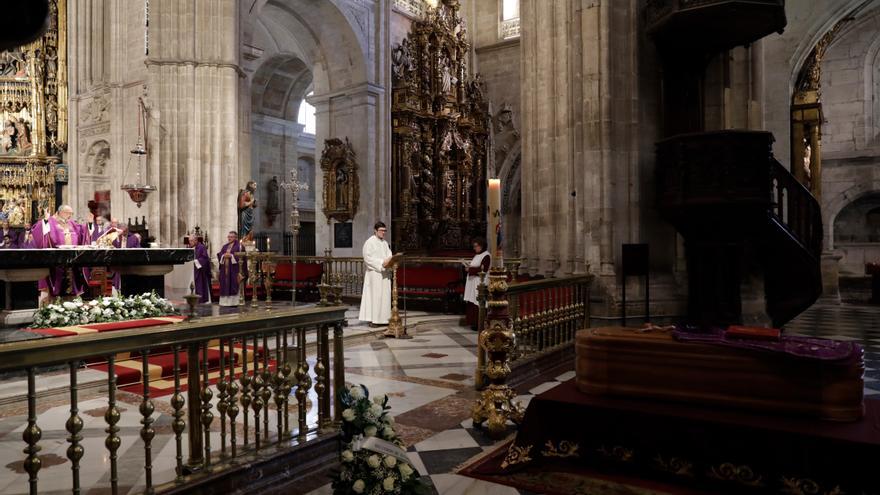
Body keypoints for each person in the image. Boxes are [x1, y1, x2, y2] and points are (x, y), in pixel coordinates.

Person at [30, 205, 88, 302]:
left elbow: (83, 232)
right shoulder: (51, 220)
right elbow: (39, 231)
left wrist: (89, 224)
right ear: (60, 212)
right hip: (56, 259)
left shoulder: (71, 223)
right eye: (68, 213)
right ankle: (54, 304)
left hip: (71, 258)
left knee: (71, 281)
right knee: (56, 281)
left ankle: (70, 304)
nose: (70, 215)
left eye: (71, 213)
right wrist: (45, 221)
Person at [359, 221, 395, 327]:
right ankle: (374, 320)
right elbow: (367, 258)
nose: (383, 233)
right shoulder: (369, 242)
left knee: (385, 297)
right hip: (374, 274)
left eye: (385, 231)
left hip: (384, 274)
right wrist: (381, 263)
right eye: (381, 230)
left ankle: (384, 319)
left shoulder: (384, 243)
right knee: (375, 297)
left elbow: (389, 255)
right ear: (375, 230)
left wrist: (389, 262)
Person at [463, 237, 491, 331]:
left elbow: (483, 269)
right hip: (473, 282)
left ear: (481, 246)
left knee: (478, 302)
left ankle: (480, 324)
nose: (474, 248)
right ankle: (473, 323)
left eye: (476, 246)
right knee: (472, 302)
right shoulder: (477, 255)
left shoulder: (486, 256)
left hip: (480, 283)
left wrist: (469, 269)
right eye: (474, 246)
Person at [217, 231, 242, 306]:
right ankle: (224, 302)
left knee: (233, 283)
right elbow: (220, 254)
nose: (229, 238)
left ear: (235, 237)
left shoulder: (239, 246)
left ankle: (233, 302)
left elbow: (241, 257)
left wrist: (232, 256)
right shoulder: (225, 246)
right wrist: (223, 256)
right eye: (228, 237)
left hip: (234, 269)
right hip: (225, 269)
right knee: (225, 283)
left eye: (231, 237)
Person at [190, 234, 212, 303]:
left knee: (200, 285)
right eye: (189, 241)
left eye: (191, 241)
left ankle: (201, 299)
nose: (190, 242)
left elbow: (205, 258)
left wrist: (196, 261)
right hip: (193, 270)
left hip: (200, 271)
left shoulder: (201, 247)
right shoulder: (191, 248)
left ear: (196, 240)